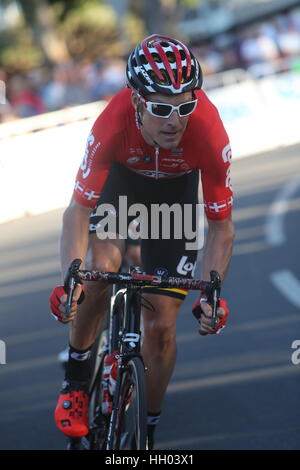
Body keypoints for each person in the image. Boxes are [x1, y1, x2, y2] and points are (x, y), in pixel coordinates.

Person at [50, 34, 235, 448]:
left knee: (162, 326)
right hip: (122, 186)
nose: (175, 121)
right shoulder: (111, 123)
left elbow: (221, 227)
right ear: (136, 102)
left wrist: (211, 292)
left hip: (175, 197)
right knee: (98, 271)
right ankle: (77, 383)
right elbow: (77, 212)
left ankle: (147, 431)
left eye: (185, 106)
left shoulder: (208, 131)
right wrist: (70, 280)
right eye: (161, 108)